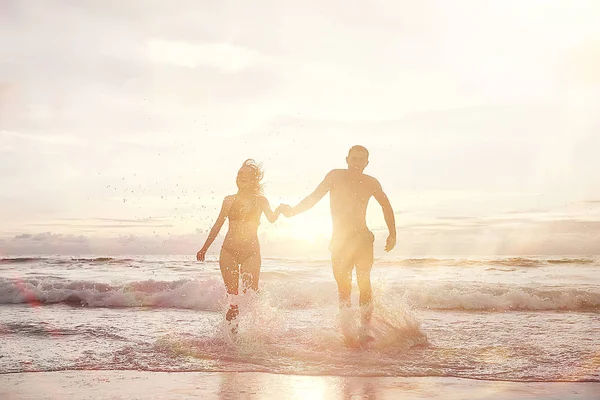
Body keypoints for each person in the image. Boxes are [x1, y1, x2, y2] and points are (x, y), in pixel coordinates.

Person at [279, 145, 396, 339]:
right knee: (343, 287)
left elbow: (386, 205)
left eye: (361, 160)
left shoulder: (371, 182)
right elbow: (313, 198)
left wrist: (393, 233)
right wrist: (293, 212)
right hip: (340, 241)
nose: (357, 163)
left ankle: (364, 329)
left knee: (364, 283)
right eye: (354, 159)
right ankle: (347, 329)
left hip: (362, 239)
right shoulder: (335, 176)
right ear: (347, 159)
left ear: (367, 163)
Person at [197, 159, 282, 330]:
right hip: (229, 251)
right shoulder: (229, 200)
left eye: (246, 175)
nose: (240, 177)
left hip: (251, 252)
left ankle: (259, 331)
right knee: (233, 298)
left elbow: (272, 219)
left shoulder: (261, 201)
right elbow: (218, 224)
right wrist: (204, 248)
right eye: (239, 174)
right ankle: (232, 336)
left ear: (254, 180)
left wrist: (280, 210)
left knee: (252, 293)